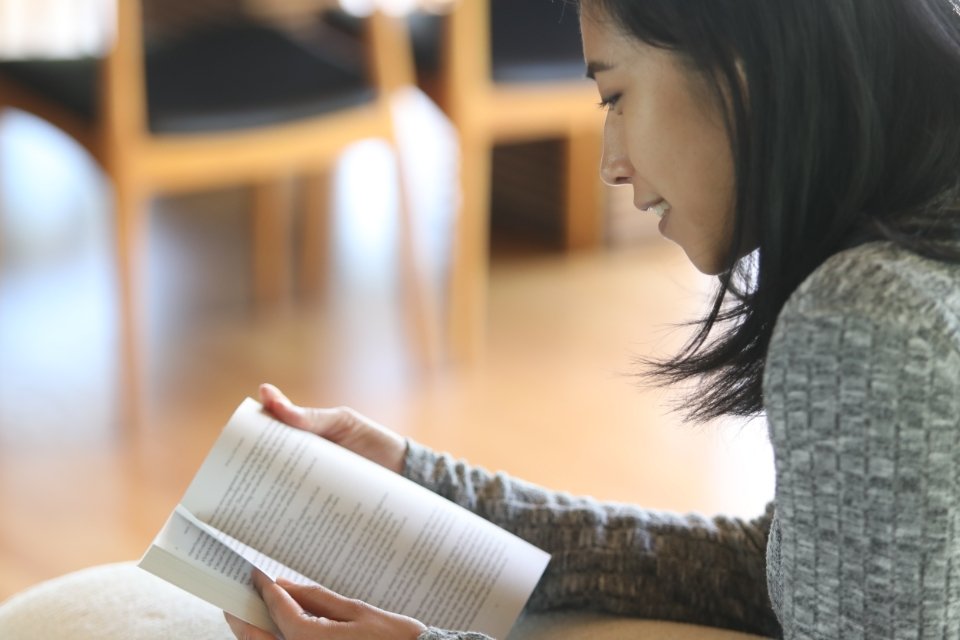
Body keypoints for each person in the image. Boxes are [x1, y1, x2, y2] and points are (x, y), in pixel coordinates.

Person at [225, 0, 960, 638]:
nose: (610, 162)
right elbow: (787, 574)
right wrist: (426, 488)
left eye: (614, 95)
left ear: (743, 65)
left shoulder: (871, 319)